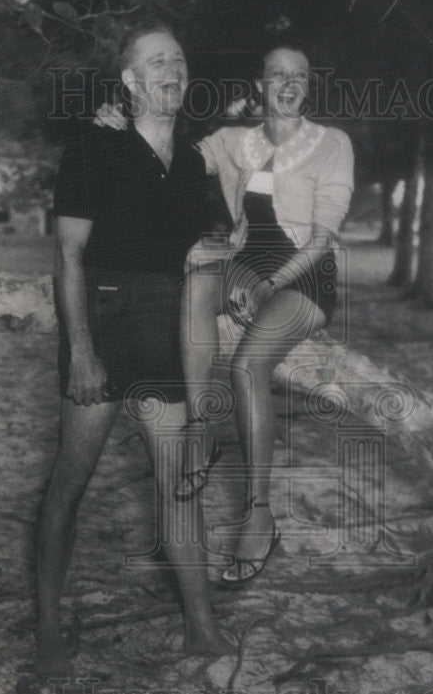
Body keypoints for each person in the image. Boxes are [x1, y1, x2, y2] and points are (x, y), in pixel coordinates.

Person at [96, 38, 354, 588]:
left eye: (299, 75)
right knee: (196, 276)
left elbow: (323, 240)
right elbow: (167, 162)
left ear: (309, 86)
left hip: (304, 275)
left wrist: (265, 283)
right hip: (246, 265)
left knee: (245, 366)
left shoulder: (334, 144)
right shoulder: (232, 141)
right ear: (259, 86)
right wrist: (123, 126)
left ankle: (259, 514)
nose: (287, 83)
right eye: (276, 74)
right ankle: (201, 430)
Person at [36, 22, 229, 678]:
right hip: (104, 318)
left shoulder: (196, 162)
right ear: (130, 80)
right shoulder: (93, 144)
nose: (171, 68)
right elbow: (66, 255)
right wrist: (83, 353)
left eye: (178, 57)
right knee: (70, 481)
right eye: (156, 60)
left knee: (179, 489)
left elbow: (209, 251)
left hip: (165, 329)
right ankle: (47, 628)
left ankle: (201, 628)